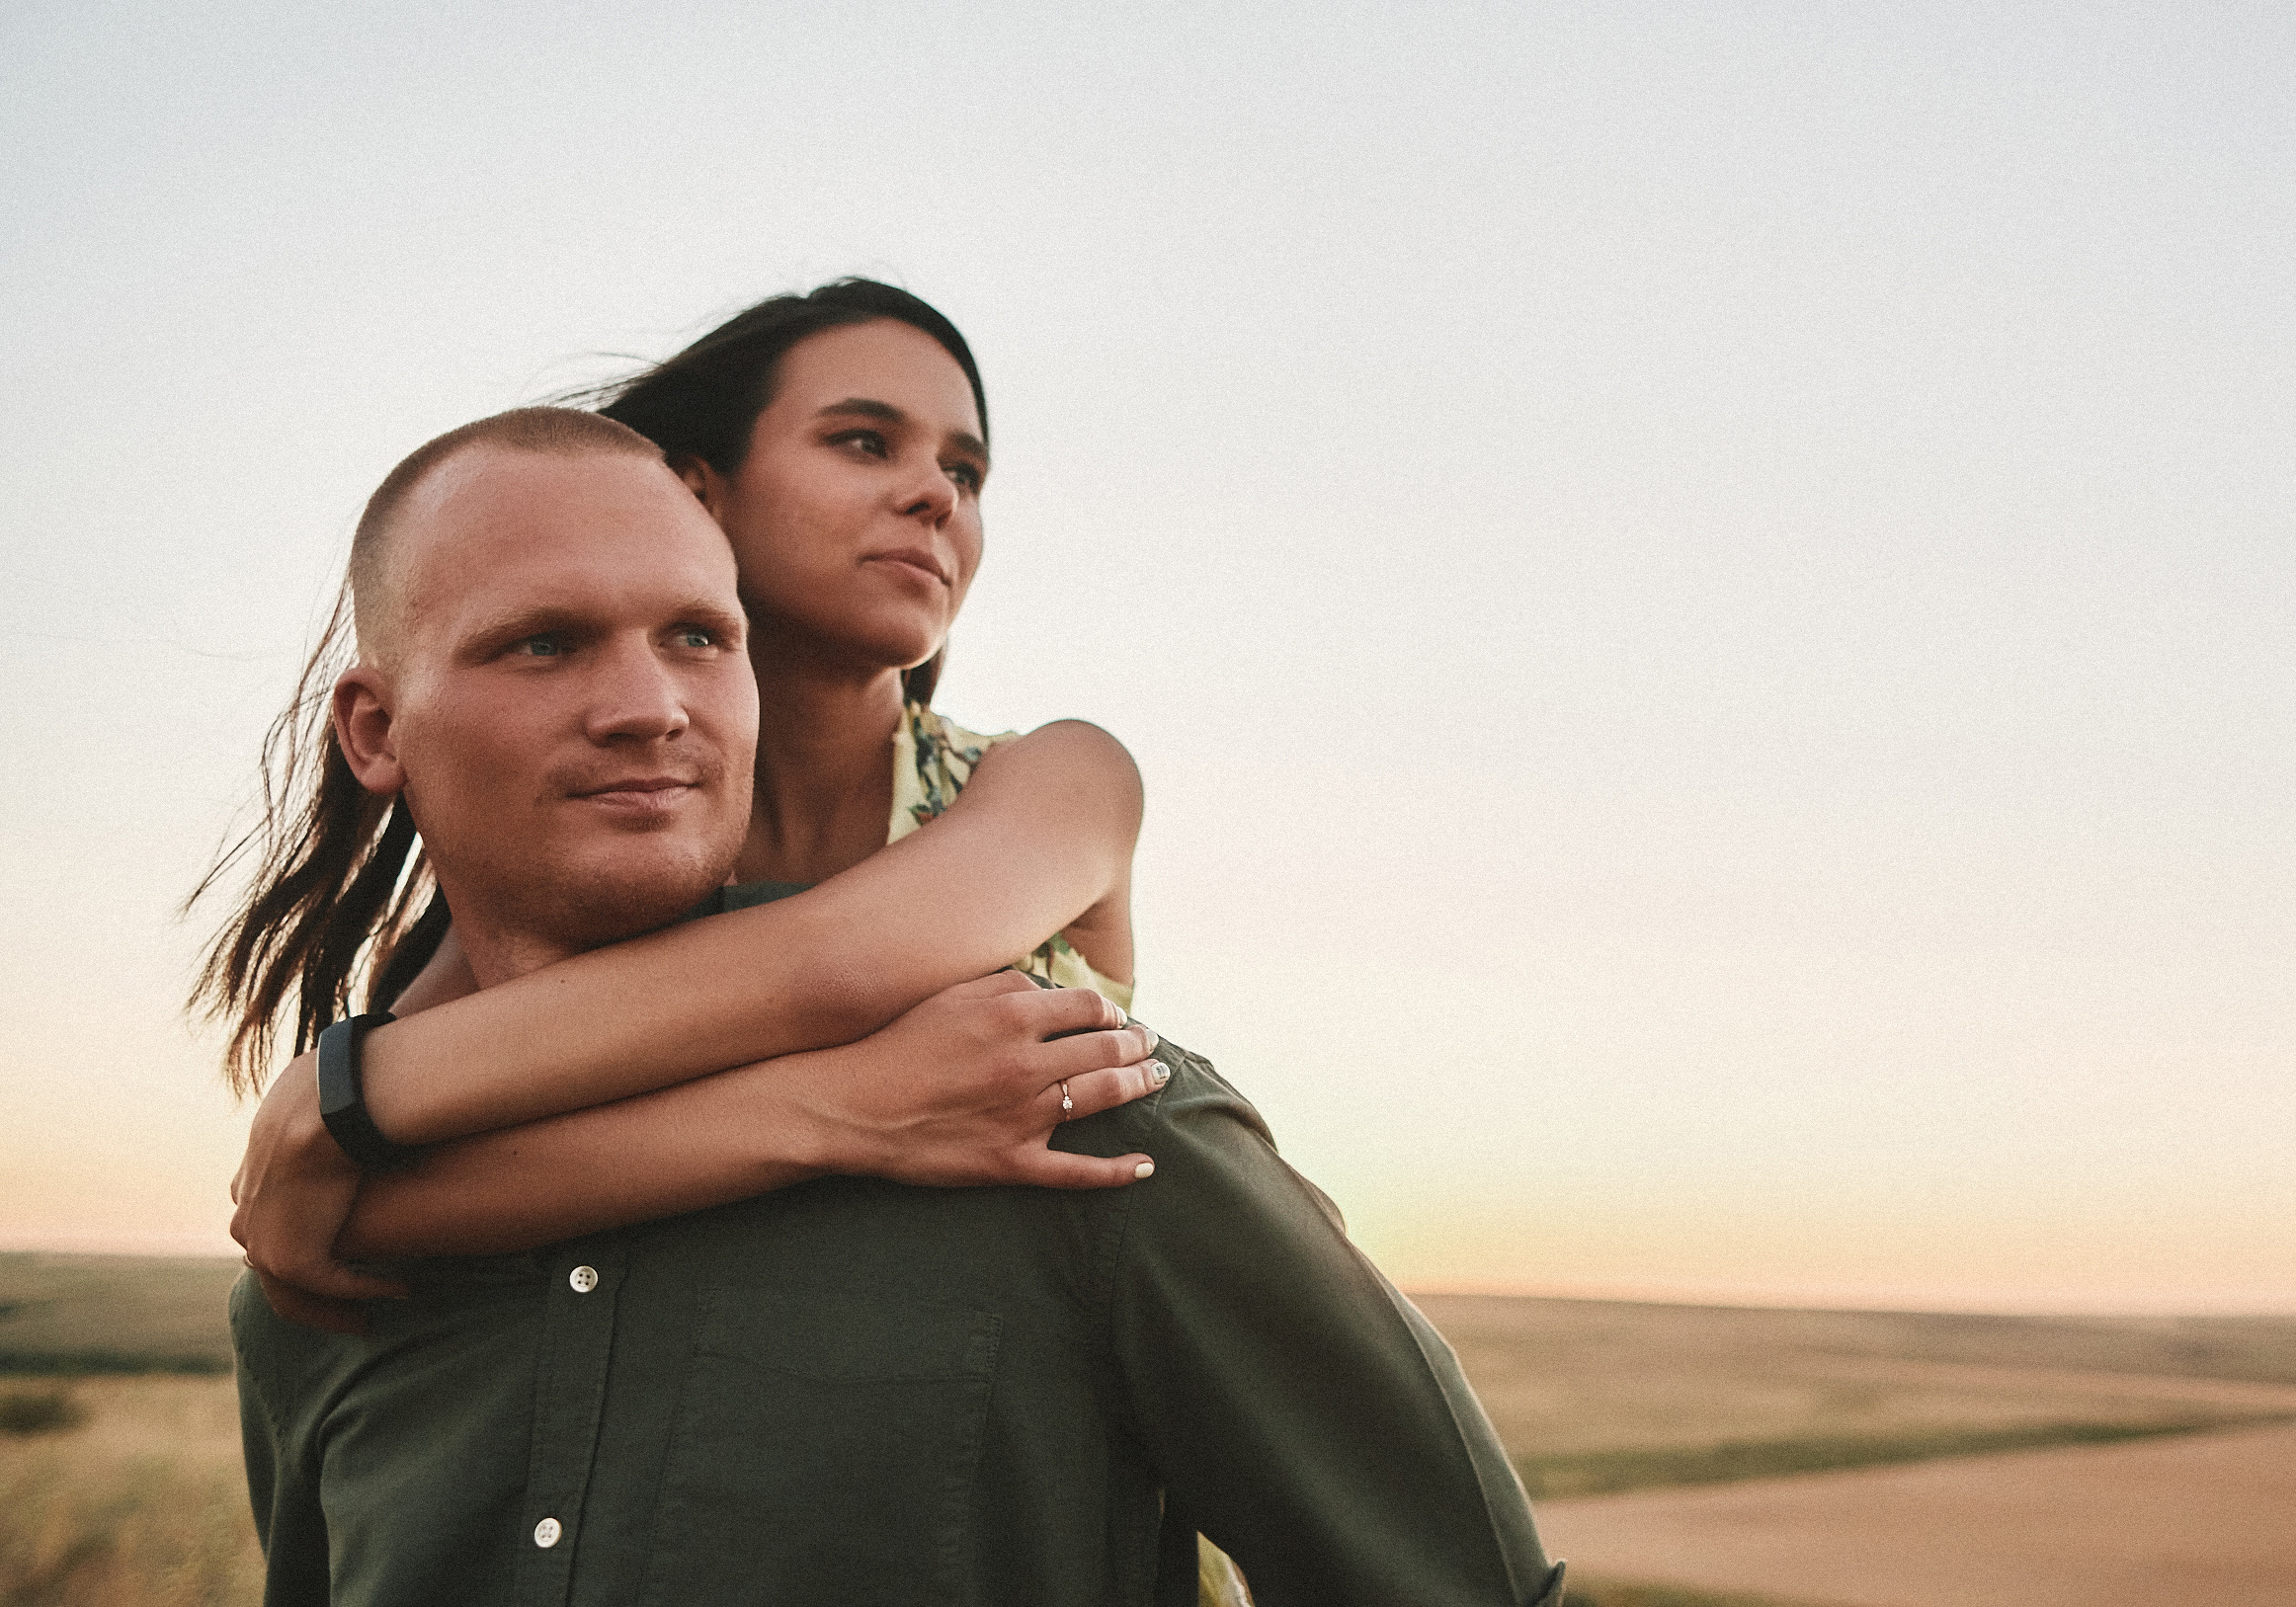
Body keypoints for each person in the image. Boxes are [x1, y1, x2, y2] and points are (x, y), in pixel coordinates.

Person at [228, 406, 1566, 1604]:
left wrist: (332, 1108)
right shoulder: (322, 1273)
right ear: (375, 733)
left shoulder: (1061, 1115)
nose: (649, 708)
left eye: (700, 635)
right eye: (543, 643)